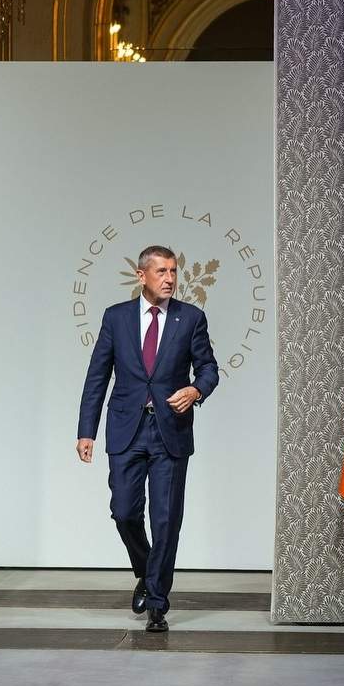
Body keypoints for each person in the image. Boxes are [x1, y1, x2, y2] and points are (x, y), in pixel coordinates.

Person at [76, 244, 219, 632]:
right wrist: (86, 430)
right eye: (161, 272)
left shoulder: (191, 318)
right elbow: (97, 376)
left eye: (173, 271)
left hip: (171, 431)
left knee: (166, 519)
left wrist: (196, 390)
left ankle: (157, 602)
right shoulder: (116, 317)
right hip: (126, 428)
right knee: (124, 511)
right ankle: (146, 569)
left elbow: (209, 368)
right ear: (142, 275)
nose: (170, 279)